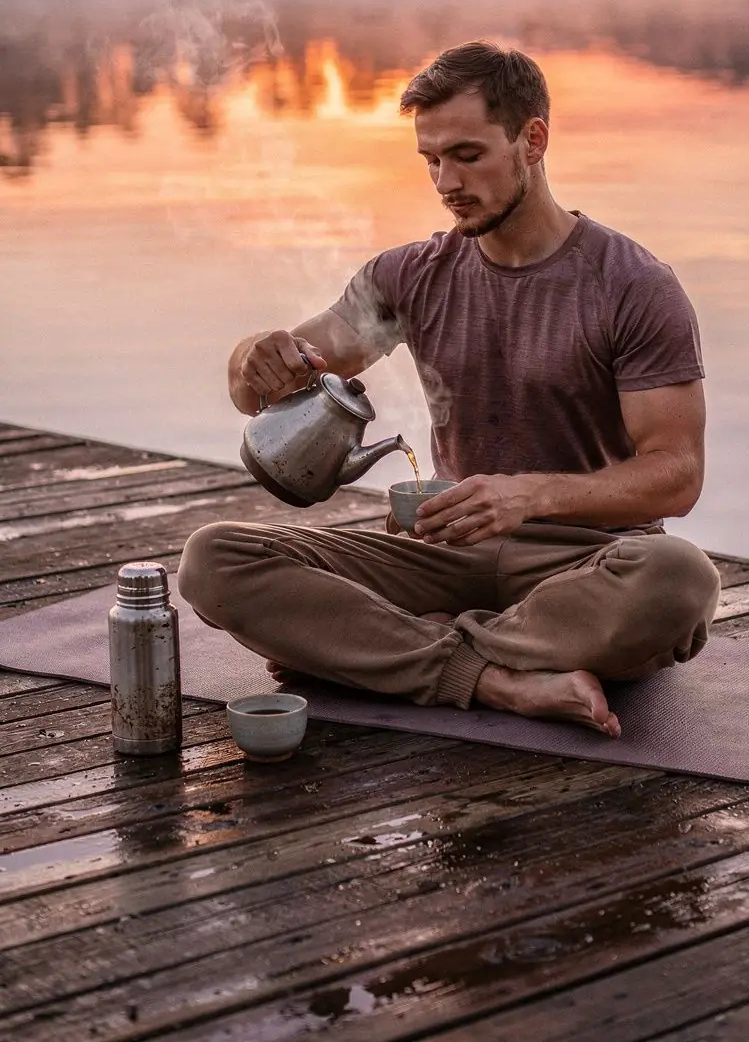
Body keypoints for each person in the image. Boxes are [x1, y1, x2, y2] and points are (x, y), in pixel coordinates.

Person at [179, 41, 720, 738]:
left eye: (467, 155)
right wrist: (254, 355)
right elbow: (254, 391)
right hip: (440, 554)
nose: (445, 181)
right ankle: (497, 678)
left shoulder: (635, 287)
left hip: (583, 563)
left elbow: (676, 477)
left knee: (679, 579)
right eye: (430, 159)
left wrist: (529, 494)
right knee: (214, 559)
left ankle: (389, 650)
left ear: (533, 140)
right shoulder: (410, 276)